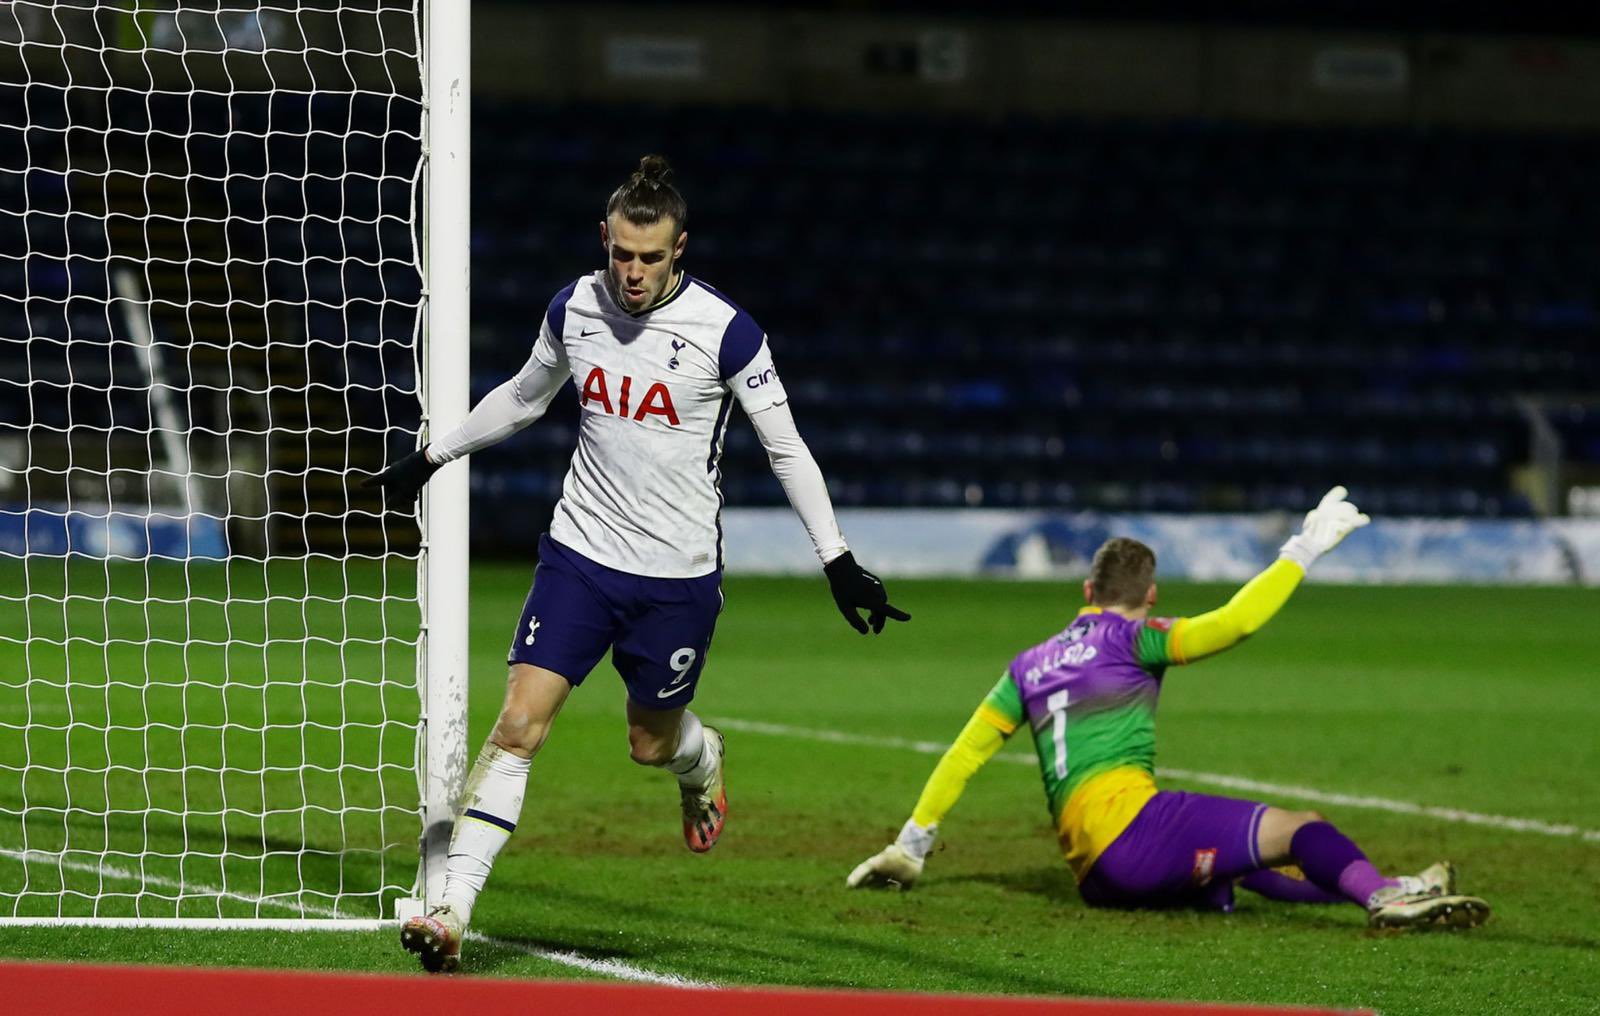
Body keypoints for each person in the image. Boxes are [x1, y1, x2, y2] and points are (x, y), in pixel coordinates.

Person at [367, 154, 910, 972]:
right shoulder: (574, 307)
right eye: (622, 253)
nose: (632, 273)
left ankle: (703, 758)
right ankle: (452, 910)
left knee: (649, 745)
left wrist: (837, 561)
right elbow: (523, 395)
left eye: (650, 258)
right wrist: (433, 456)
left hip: (677, 580)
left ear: (679, 248)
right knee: (517, 726)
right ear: (605, 240)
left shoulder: (728, 332)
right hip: (579, 557)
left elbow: (787, 448)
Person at [846, 488, 1488, 932]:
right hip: (1135, 834)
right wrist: (1303, 550)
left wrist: (913, 844)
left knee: (1241, 866)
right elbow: (1235, 623)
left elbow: (965, 755)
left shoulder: (1028, 664)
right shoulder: (1138, 638)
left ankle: (1402, 885)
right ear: (1149, 596)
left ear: (1086, 591)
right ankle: (1382, 897)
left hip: (1096, 876)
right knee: (1301, 828)